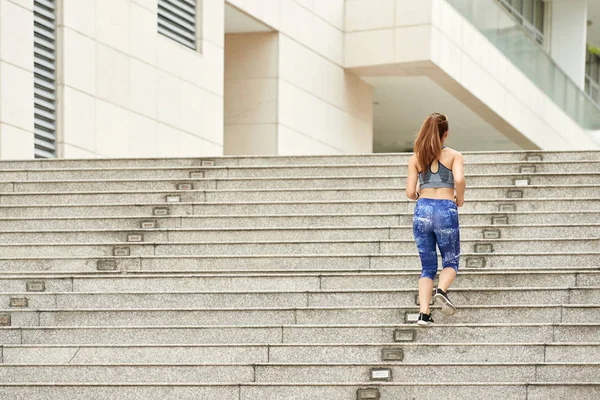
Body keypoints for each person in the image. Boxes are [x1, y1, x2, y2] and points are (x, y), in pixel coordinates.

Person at [405, 113, 465, 326]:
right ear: (446, 133)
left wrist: (421, 195)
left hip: (422, 212)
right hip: (445, 210)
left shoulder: (416, 158)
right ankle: (441, 290)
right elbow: (458, 178)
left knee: (427, 267)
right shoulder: (454, 156)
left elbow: (410, 192)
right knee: (450, 260)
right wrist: (460, 197)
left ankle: (423, 314)